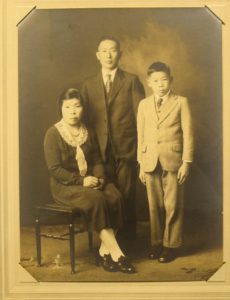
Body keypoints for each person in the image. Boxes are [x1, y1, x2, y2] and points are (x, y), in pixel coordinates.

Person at [44, 88, 136, 273]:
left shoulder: (88, 131)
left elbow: (96, 161)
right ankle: (118, 254)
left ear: (83, 108)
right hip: (66, 186)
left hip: (90, 182)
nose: (72, 111)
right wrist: (81, 181)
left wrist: (100, 179)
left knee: (115, 196)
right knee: (97, 199)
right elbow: (54, 169)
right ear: (61, 109)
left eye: (77, 106)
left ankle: (103, 251)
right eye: (68, 107)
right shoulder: (53, 134)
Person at [81, 36, 145, 251]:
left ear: (120, 54)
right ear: (97, 55)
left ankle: (127, 245)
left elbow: (141, 117)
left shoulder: (131, 80)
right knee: (106, 196)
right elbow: (85, 121)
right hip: (99, 152)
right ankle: (108, 246)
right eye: (104, 51)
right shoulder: (88, 85)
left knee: (126, 196)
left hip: (126, 148)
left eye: (113, 50)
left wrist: (141, 151)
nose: (109, 55)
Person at [137, 62, 194, 263]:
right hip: (150, 160)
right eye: (155, 81)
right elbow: (140, 135)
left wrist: (186, 162)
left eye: (164, 80)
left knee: (173, 205)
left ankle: (171, 245)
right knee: (154, 206)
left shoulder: (181, 102)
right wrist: (141, 164)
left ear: (171, 80)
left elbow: (188, 134)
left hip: (173, 160)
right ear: (149, 83)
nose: (160, 84)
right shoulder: (144, 105)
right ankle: (156, 243)